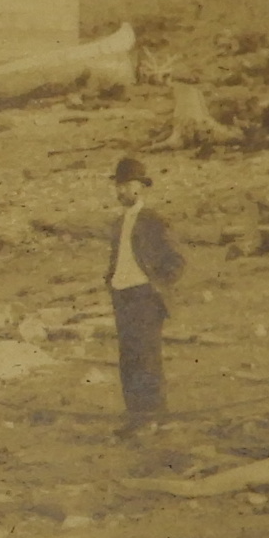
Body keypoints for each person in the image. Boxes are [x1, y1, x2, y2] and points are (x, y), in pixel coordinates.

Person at [103, 155, 187, 437]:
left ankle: (154, 418)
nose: (121, 191)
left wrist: (156, 287)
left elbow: (176, 259)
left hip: (144, 297)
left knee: (147, 358)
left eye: (126, 185)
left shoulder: (153, 220)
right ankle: (136, 418)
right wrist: (111, 282)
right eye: (118, 185)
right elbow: (117, 258)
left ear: (140, 187)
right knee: (128, 358)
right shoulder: (118, 223)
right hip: (122, 296)